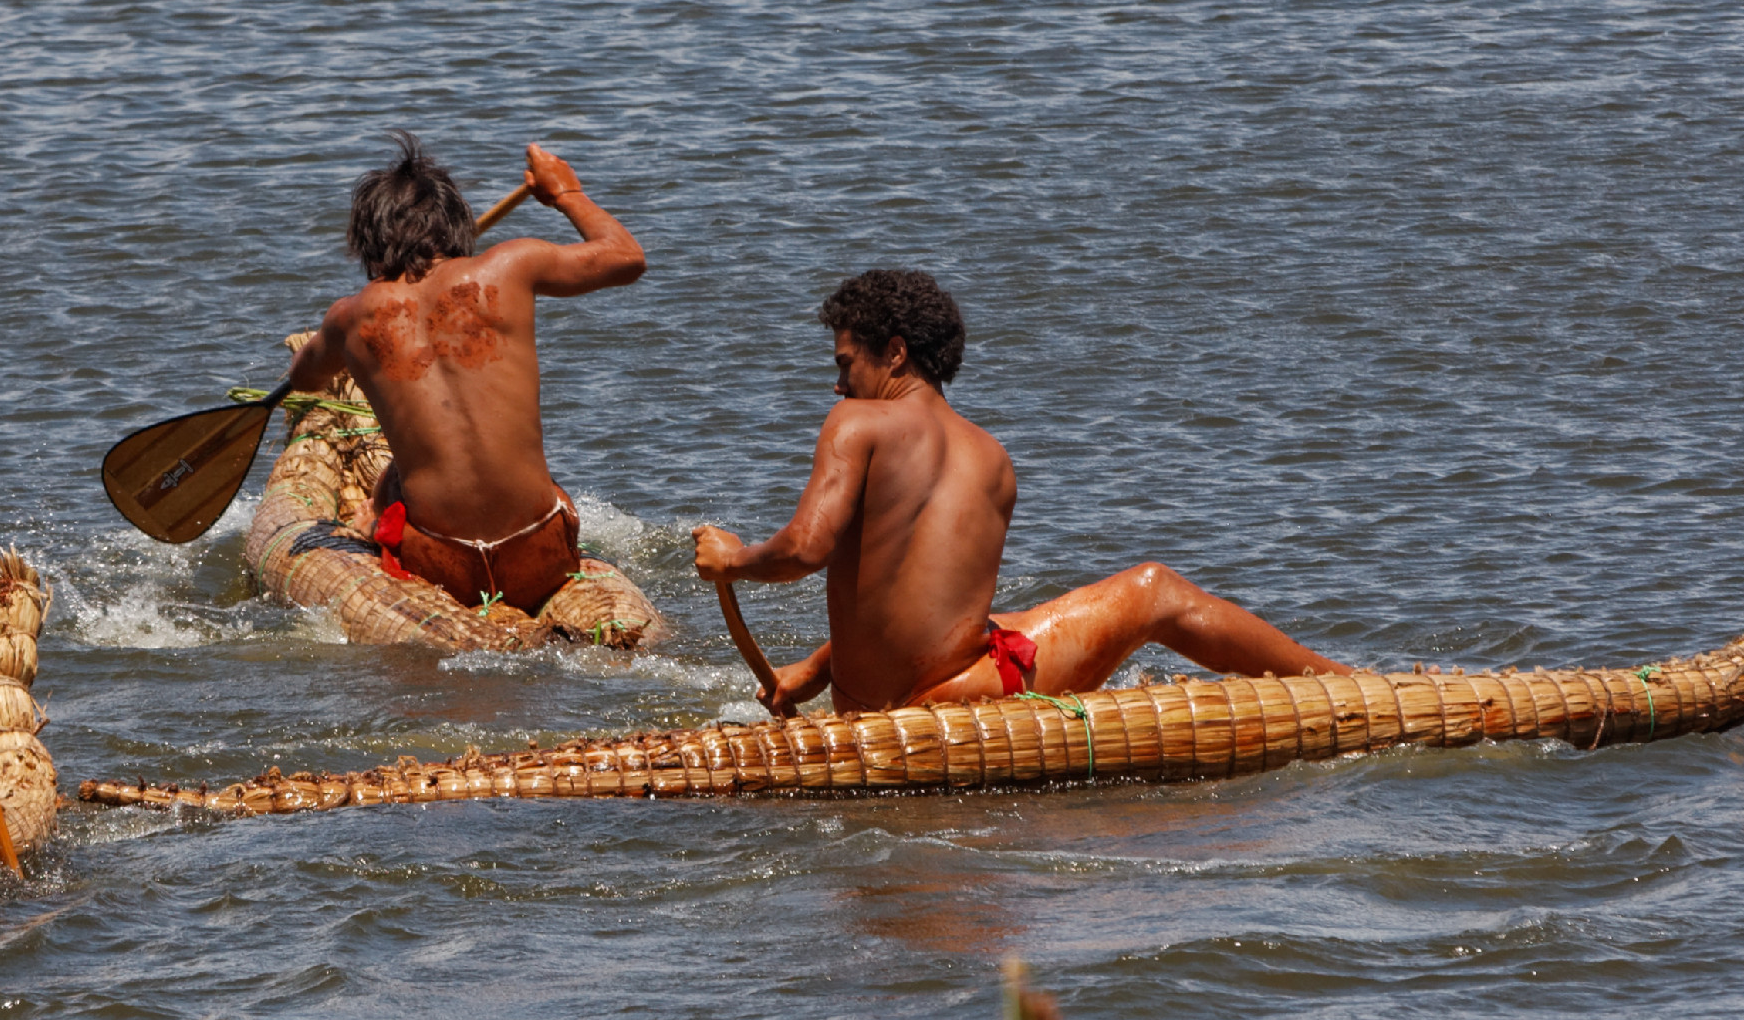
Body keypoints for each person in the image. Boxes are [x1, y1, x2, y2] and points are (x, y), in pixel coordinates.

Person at [692, 269, 1349, 715]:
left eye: (844, 364)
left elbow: (807, 549)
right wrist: (818, 666)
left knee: (1154, 589)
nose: (837, 387)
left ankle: (1350, 691)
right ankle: (1345, 685)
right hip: (966, 688)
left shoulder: (856, 421)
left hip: (923, 705)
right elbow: (925, 607)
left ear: (894, 353)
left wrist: (732, 560)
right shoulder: (990, 457)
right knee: (1145, 595)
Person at [277, 134, 645, 613]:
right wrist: (566, 194)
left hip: (442, 564)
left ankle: (370, 519)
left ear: (369, 243)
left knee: (395, 480)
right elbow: (627, 257)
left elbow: (304, 379)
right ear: (454, 226)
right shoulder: (512, 265)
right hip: (541, 552)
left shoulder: (349, 319)